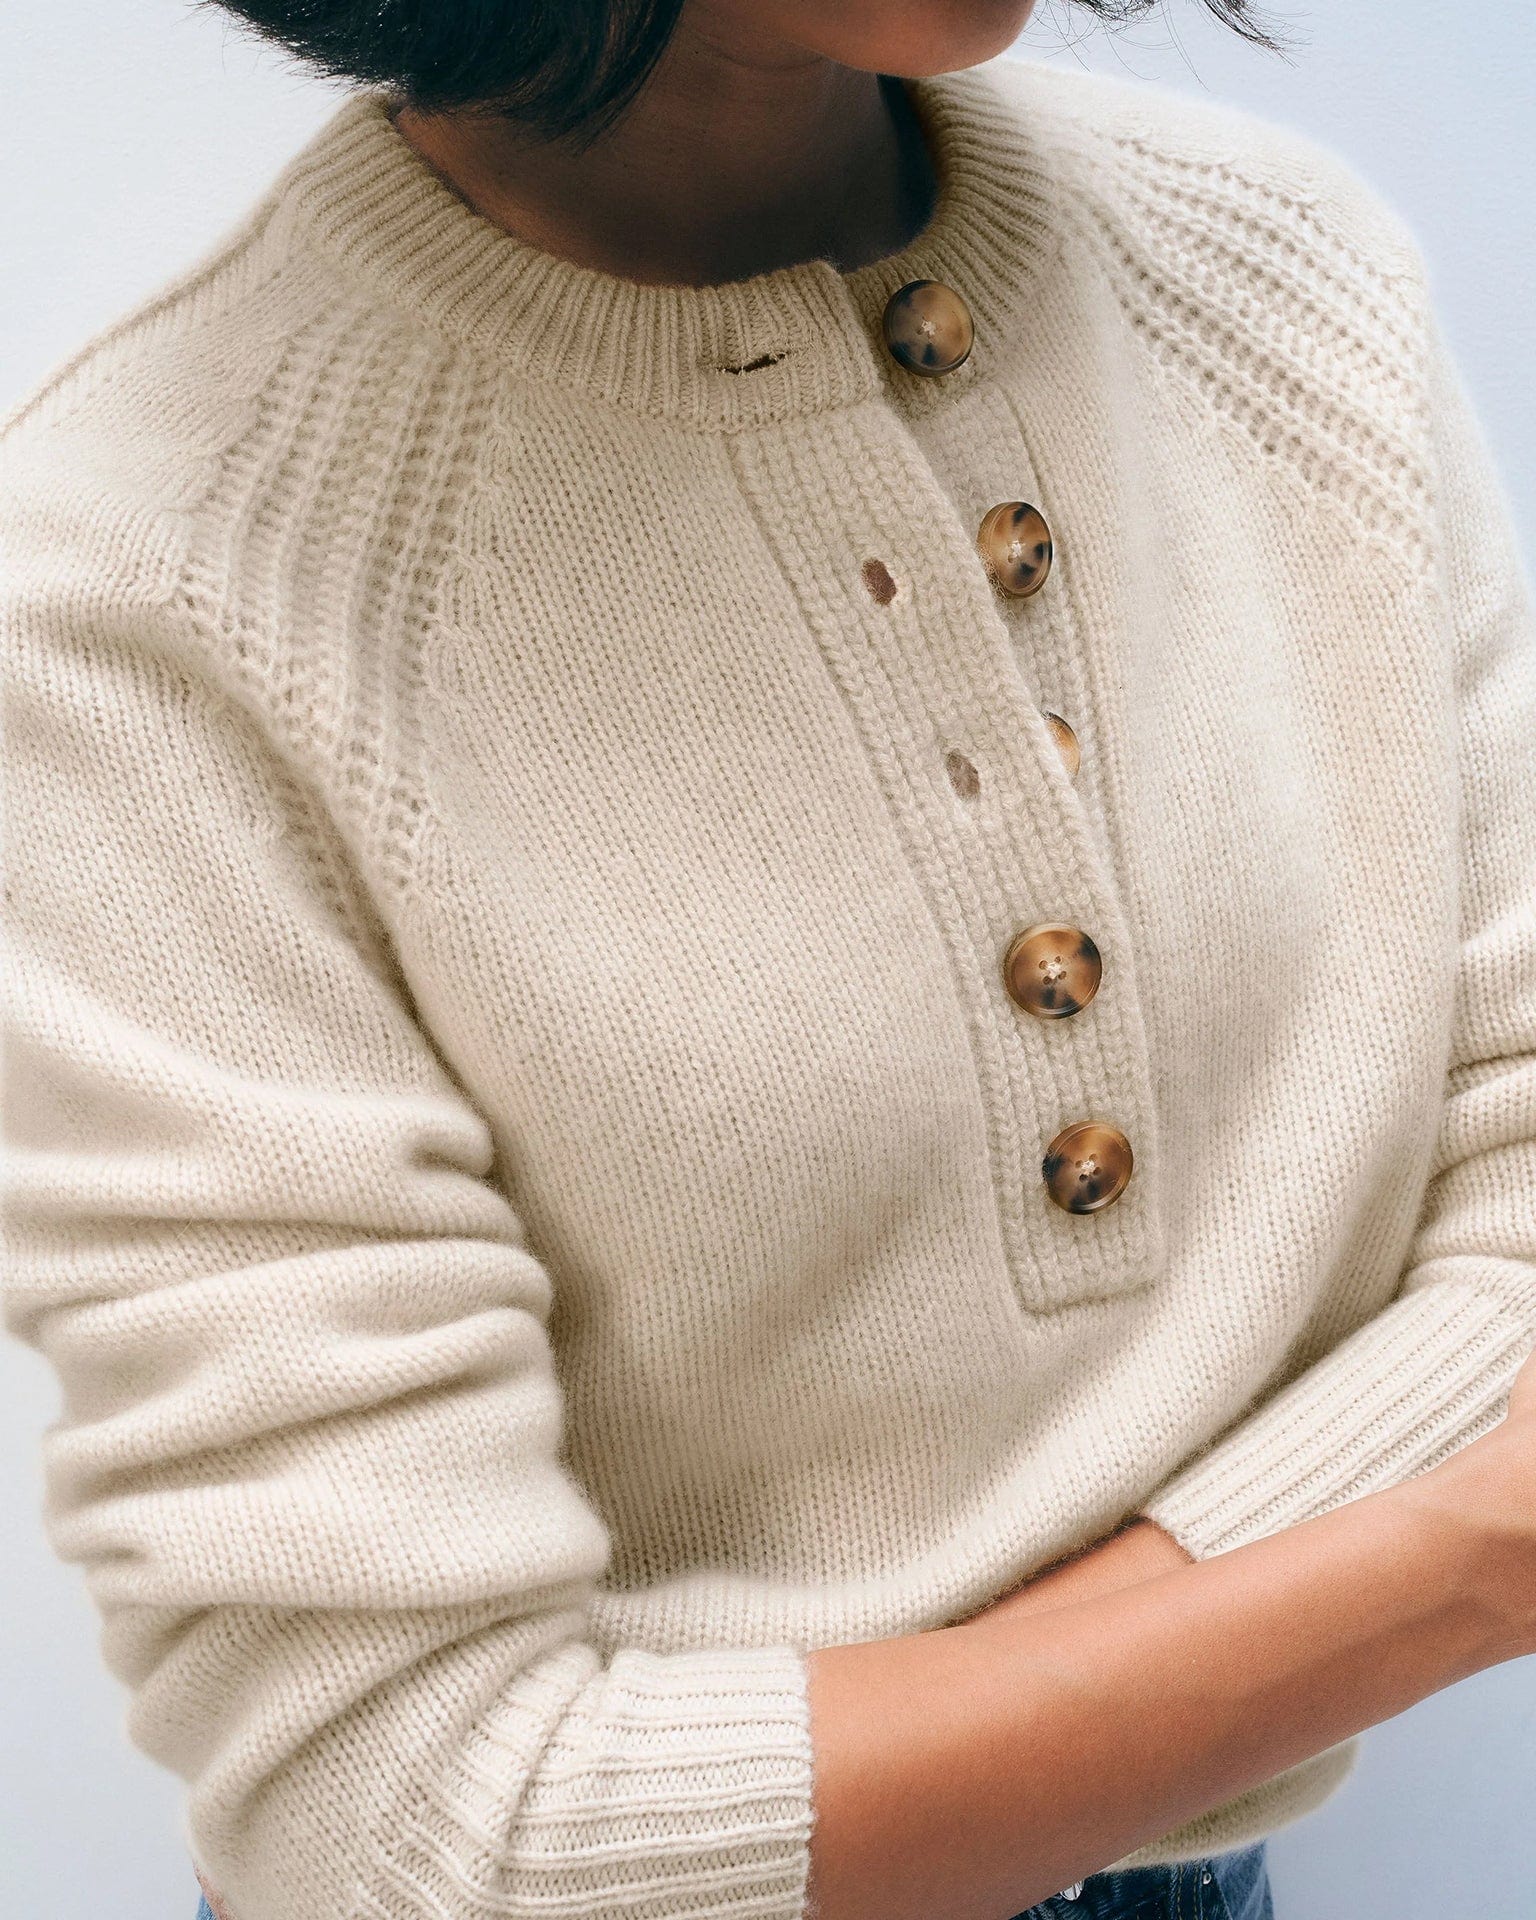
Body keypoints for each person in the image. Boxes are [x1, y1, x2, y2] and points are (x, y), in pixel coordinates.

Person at [3, 3, 1533, 1918]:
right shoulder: (149, 574)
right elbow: (406, 1832)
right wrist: (1461, 1548)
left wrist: (1005, 1725)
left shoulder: (1283, 282)